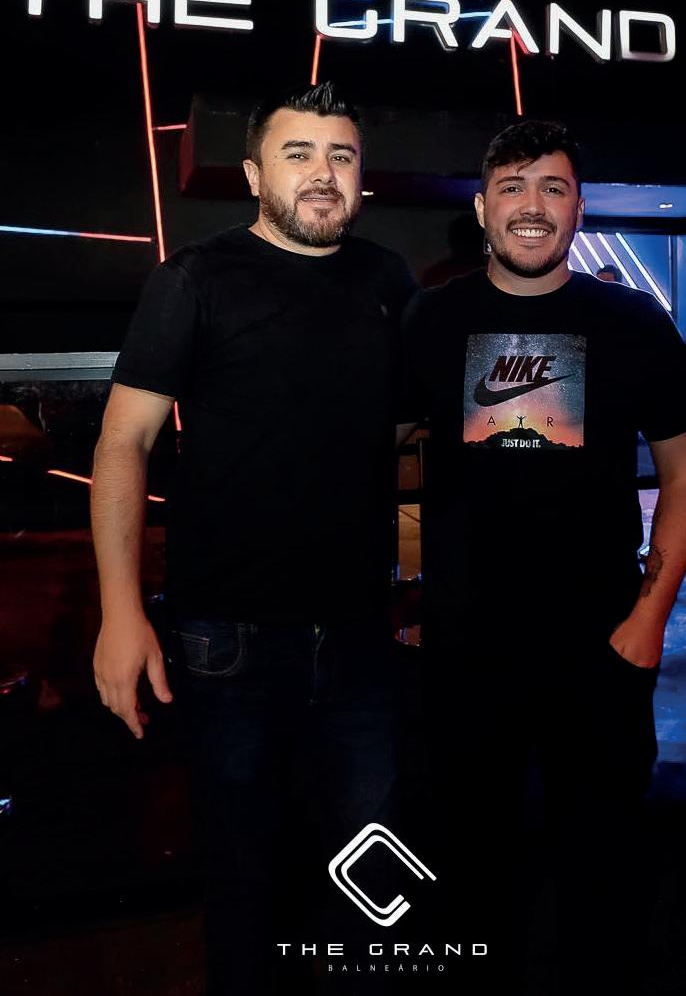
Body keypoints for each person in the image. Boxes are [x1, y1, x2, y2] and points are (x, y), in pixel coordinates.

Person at [91, 82, 416, 995]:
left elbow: (402, 430)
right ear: (251, 175)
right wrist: (121, 612)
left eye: (341, 156)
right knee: (245, 884)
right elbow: (123, 445)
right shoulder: (194, 278)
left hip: (359, 636)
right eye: (298, 154)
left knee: (368, 886)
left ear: (360, 177)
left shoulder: (389, 281)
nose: (322, 174)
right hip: (227, 638)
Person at [402, 120, 686, 995]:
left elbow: (684, 474)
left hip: (601, 652)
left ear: (579, 208)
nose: (533, 206)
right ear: (483, 209)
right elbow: (372, 456)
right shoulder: (433, 318)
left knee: (606, 883)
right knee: (471, 881)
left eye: (553, 188)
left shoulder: (633, 321)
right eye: (514, 187)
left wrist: (649, 617)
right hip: (465, 656)